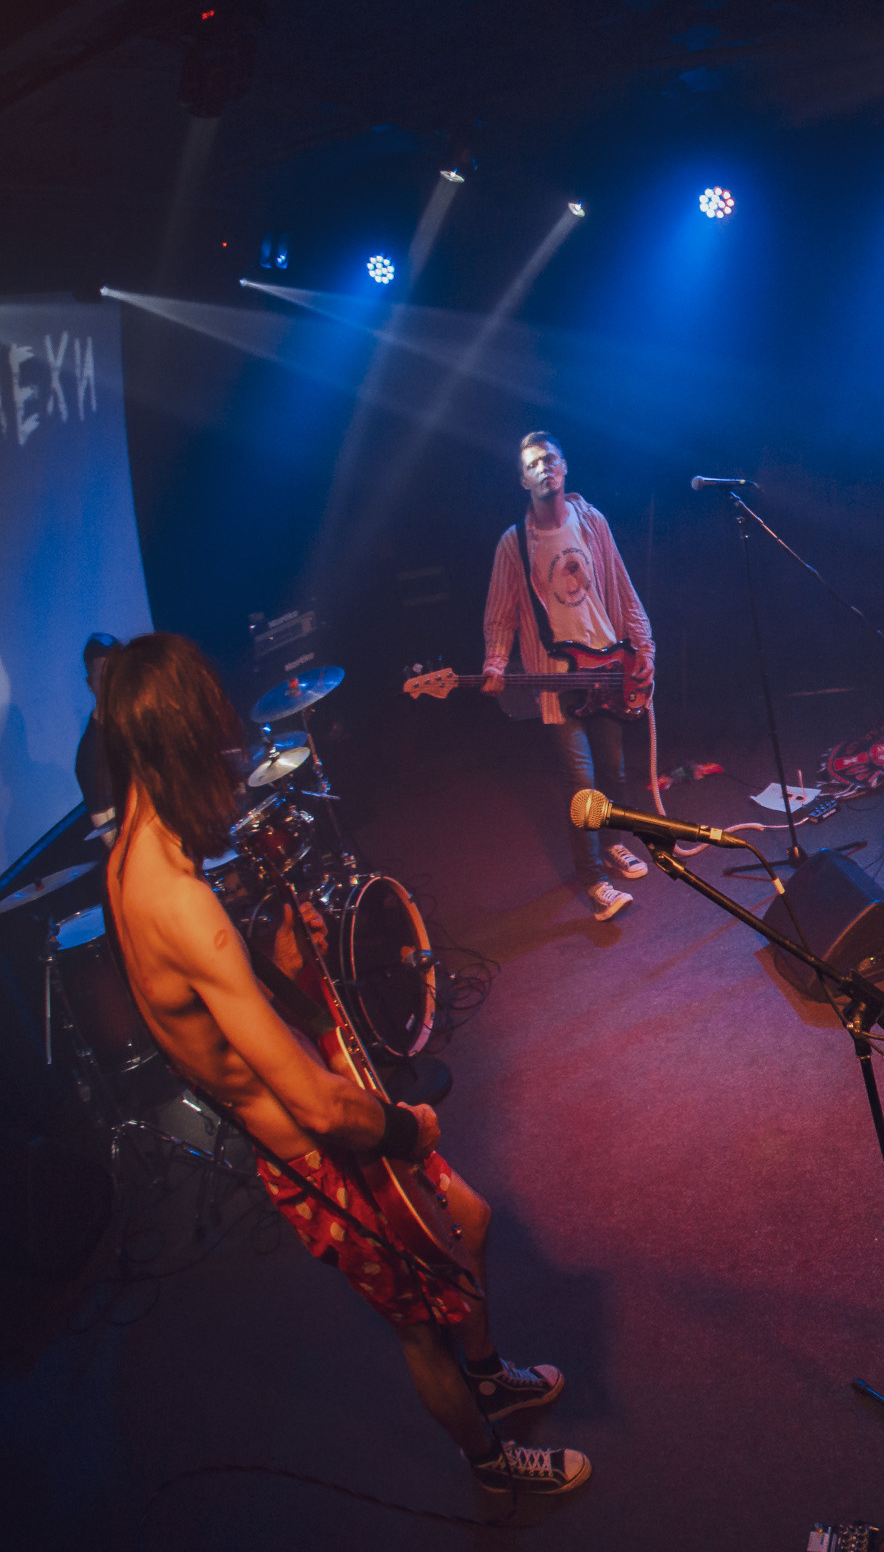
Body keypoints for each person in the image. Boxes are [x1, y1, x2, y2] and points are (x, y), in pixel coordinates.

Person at [96, 634, 588, 1494]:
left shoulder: (129, 863)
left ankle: (487, 1377)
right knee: (419, 1322)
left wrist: (283, 970)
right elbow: (317, 1105)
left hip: (314, 1123)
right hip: (320, 1153)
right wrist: (404, 1126)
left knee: (470, 1224)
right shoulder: (180, 900)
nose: (228, 763)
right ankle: (491, 1464)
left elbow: (212, 1024)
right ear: (183, 739)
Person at [480, 431, 656, 923]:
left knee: (614, 772)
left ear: (564, 466)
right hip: (557, 682)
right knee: (581, 781)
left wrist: (643, 648)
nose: (543, 468)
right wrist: (495, 662)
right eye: (532, 464)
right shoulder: (514, 543)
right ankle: (594, 880)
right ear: (523, 479)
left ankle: (613, 845)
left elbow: (622, 587)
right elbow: (500, 614)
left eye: (550, 459)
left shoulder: (591, 520)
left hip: (608, 668)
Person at [72, 631, 121, 843]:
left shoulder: (140, 724)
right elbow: (113, 839)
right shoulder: (91, 755)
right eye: (105, 677)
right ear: (90, 684)